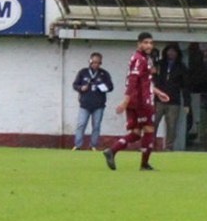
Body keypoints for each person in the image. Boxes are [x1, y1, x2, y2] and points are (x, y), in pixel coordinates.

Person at [103, 32, 168, 171]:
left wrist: (157, 92)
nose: (149, 45)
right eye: (145, 42)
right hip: (141, 101)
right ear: (138, 44)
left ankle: (112, 151)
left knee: (136, 133)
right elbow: (133, 82)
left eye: (151, 43)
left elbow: (144, 81)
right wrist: (125, 101)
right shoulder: (140, 59)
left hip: (137, 99)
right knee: (149, 129)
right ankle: (144, 164)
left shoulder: (143, 58)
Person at [71, 52, 112, 150]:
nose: (95, 64)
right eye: (93, 62)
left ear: (100, 63)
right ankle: (78, 145)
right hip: (85, 104)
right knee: (81, 125)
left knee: (96, 126)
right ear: (90, 61)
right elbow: (75, 85)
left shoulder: (104, 74)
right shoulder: (83, 72)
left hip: (99, 105)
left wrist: (102, 86)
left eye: (98, 63)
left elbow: (110, 87)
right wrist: (81, 88)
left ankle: (93, 145)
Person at [154, 42, 188, 151]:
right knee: (153, 123)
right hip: (158, 100)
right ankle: (149, 144)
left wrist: (187, 103)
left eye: (174, 51)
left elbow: (186, 86)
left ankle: (169, 147)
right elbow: (150, 79)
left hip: (174, 101)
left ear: (178, 53)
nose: (171, 53)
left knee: (172, 126)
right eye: (169, 50)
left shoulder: (181, 67)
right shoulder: (159, 64)